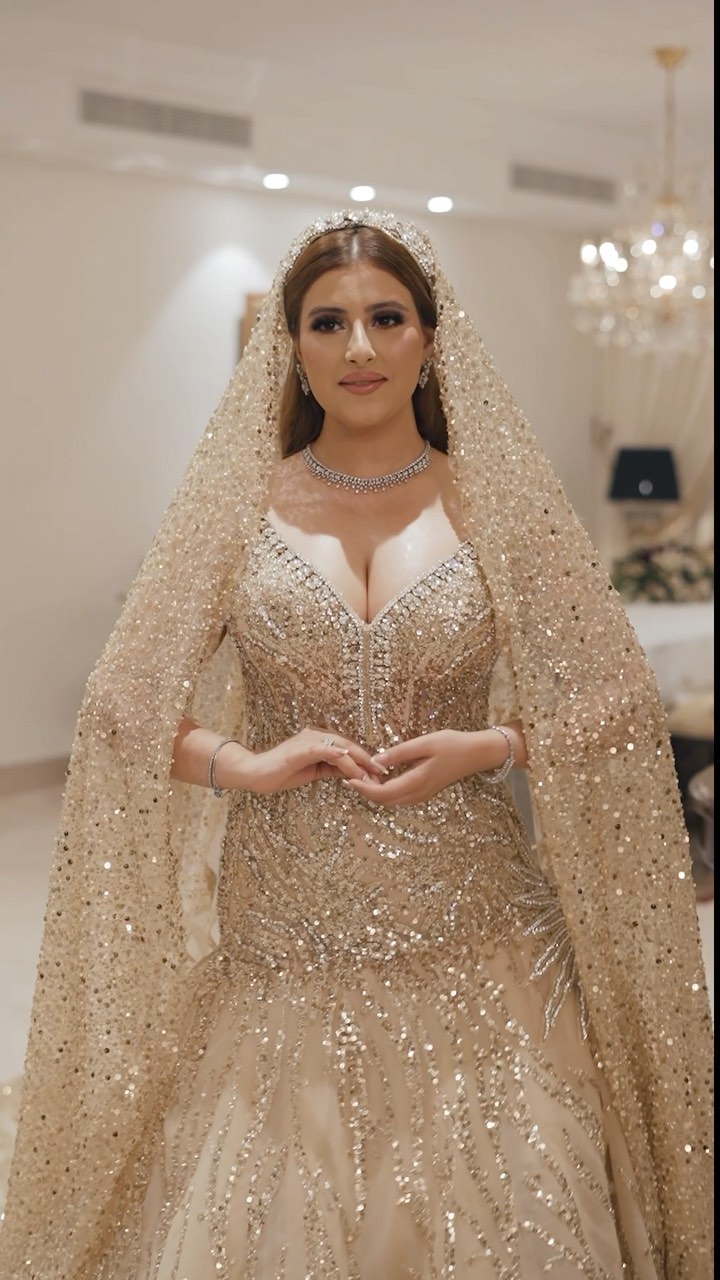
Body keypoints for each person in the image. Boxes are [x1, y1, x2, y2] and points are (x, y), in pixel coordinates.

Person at [0, 210, 713, 1279]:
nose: (360, 347)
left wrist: (491, 745)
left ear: (431, 336)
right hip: (287, 930)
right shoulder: (240, 507)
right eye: (328, 323)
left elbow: (610, 700)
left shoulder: (497, 502)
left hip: (474, 920)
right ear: (293, 346)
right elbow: (122, 707)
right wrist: (241, 764)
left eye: (387, 317)